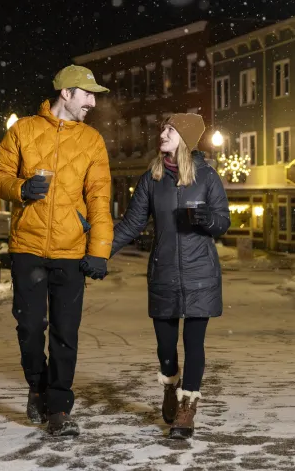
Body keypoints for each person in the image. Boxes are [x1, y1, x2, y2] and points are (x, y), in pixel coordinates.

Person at [0, 65, 113, 437]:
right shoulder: (23, 131)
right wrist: (21, 189)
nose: (93, 102)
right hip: (27, 246)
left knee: (65, 333)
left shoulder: (92, 141)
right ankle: (37, 385)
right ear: (66, 94)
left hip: (70, 251)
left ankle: (58, 408)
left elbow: (99, 198)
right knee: (29, 328)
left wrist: (99, 251)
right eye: (87, 94)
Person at [110, 113, 230, 440]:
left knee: (194, 345)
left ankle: (187, 409)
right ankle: (169, 384)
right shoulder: (152, 177)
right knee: (166, 347)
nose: (162, 133)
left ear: (185, 138)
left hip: (200, 275)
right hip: (163, 274)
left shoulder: (207, 177)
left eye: (170, 129)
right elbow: (132, 224)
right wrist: (100, 252)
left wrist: (208, 219)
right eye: (163, 128)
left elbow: (223, 222)